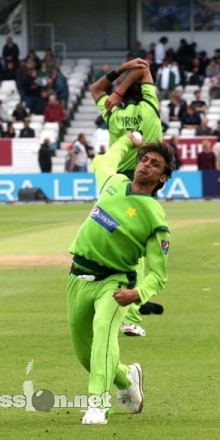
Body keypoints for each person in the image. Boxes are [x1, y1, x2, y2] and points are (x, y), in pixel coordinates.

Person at [68, 132, 175, 425]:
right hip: (77, 276)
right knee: (85, 352)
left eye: (155, 164)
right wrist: (128, 140)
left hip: (116, 283)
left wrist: (137, 294)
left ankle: (97, 405)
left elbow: (157, 275)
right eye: (145, 160)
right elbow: (104, 160)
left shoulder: (155, 218)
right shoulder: (114, 183)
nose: (146, 165)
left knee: (104, 331)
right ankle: (127, 377)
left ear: (162, 178)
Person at [90, 57, 165, 337]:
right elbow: (143, 69)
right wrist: (128, 81)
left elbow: (96, 90)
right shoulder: (149, 109)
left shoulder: (113, 113)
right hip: (142, 189)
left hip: (115, 186)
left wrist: (119, 74)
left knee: (121, 249)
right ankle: (130, 314)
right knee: (138, 251)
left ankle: (131, 304)